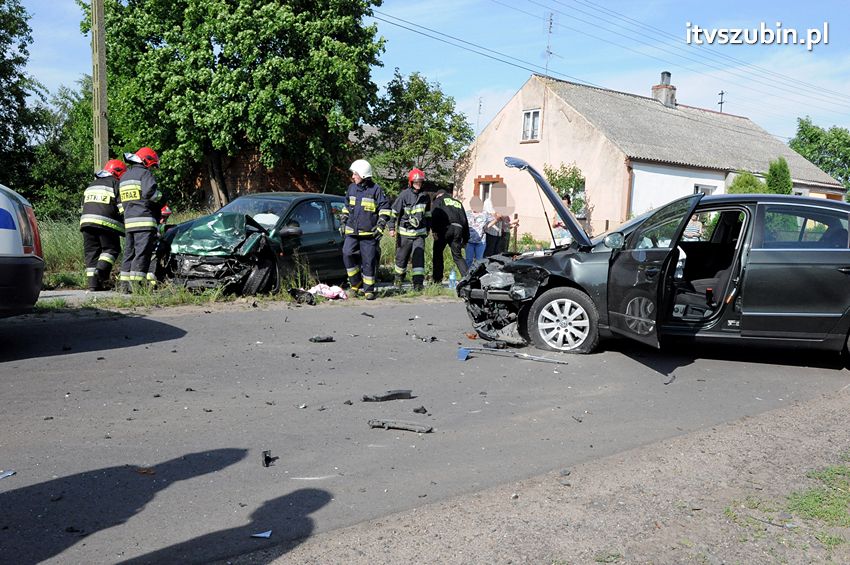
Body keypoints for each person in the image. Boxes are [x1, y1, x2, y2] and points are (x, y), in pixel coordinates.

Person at [339, 159, 391, 300]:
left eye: (355, 174)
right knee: (347, 253)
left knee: (368, 261)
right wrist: (343, 220)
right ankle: (356, 282)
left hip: (369, 234)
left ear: (362, 174)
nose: (353, 177)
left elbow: (385, 209)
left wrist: (380, 225)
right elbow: (346, 207)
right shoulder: (351, 188)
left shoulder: (376, 190)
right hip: (352, 232)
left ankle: (369, 290)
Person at [117, 147, 163, 292]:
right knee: (142, 254)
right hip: (144, 221)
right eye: (152, 165)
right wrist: (161, 197)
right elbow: (151, 193)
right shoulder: (145, 174)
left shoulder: (124, 176)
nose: (152, 168)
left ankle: (124, 286)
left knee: (129, 254)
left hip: (129, 222)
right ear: (147, 161)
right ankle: (137, 287)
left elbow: (120, 201)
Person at [79, 159, 127, 291]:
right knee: (111, 249)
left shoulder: (91, 185)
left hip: (86, 223)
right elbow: (122, 208)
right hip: (106, 223)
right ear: (118, 172)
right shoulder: (115, 184)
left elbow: (84, 206)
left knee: (91, 253)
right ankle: (101, 270)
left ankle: (93, 285)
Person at [389, 168, 431, 291]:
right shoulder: (404, 195)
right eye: (416, 182)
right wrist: (391, 228)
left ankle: (418, 284)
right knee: (401, 259)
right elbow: (394, 212)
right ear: (411, 182)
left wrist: (428, 228)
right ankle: (398, 281)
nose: (418, 184)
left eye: (420, 182)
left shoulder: (425, 196)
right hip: (404, 234)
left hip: (419, 234)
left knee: (419, 259)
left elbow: (428, 214)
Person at [430, 189, 469, 283]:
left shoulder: (439, 200)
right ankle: (468, 279)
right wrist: (465, 238)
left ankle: (437, 280)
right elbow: (465, 220)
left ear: (439, 195)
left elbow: (434, 214)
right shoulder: (458, 203)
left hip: (444, 229)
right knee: (458, 256)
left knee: (438, 254)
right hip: (458, 229)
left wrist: (434, 230)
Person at [465, 196, 496, 268]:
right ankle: (467, 274)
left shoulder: (484, 213)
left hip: (481, 242)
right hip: (469, 242)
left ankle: (477, 274)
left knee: (479, 260)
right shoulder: (467, 213)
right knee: (469, 260)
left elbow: (494, 219)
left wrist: (487, 226)